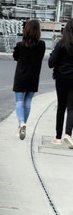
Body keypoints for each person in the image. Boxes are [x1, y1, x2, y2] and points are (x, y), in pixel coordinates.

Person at [12, 20, 46, 140]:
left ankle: (21, 123)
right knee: (28, 102)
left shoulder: (20, 45)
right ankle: (20, 127)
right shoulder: (42, 45)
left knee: (19, 101)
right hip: (34, 76)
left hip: (21, 76)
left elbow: (15, 57)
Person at [48, 20, 73, 148]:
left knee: (61, 107)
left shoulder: (61, 44)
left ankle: (57, 137)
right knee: (71, 108)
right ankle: (68, 134)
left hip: (61, 78)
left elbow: (51, 63)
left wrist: (53, 55)